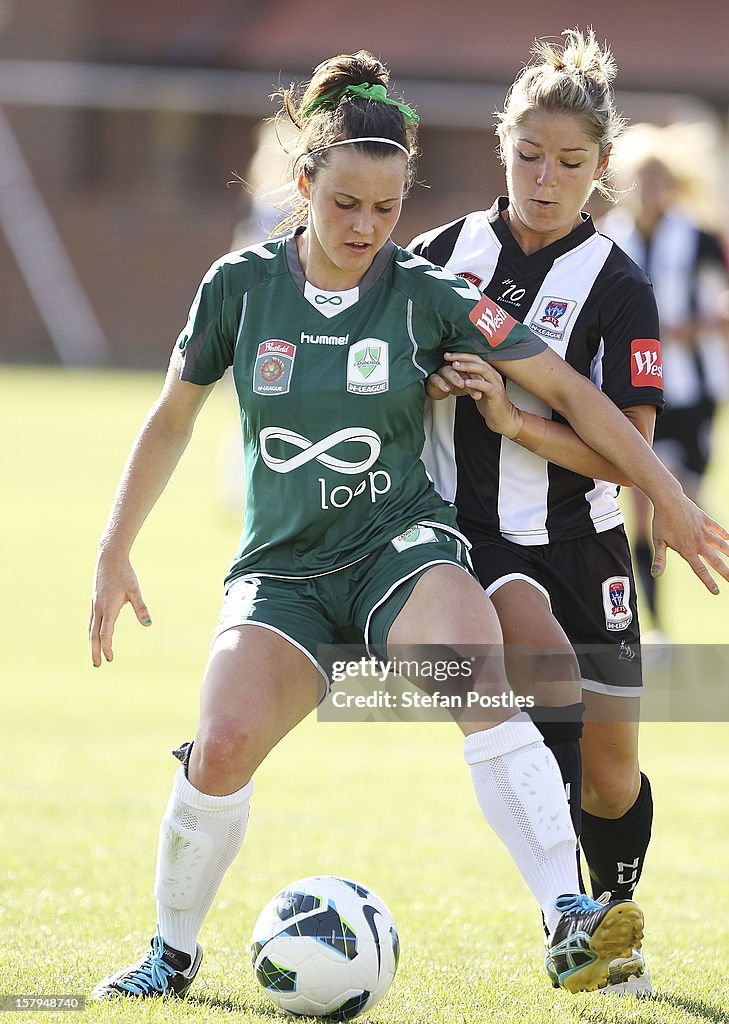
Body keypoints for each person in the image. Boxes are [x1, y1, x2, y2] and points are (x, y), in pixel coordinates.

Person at [88, 50, 727, 1003]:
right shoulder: (239, 287)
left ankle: (571, 918)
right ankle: (170, 953)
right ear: (303, 184)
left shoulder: (433, 289)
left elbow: (568, 391)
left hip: (415, 544)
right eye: (345, 204)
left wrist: (668, 501)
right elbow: (173, 417)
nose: (366, 228)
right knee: (218, 748)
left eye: (385, 210)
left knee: (551, 717)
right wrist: (112, 549)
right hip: (287, 568)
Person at [408, 29, 726, 996]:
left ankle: (610, 918)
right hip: (479, 537)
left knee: (611, 775)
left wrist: (518, 422)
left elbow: (623, 447)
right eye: (529, 156)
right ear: (503, 147)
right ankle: (569, 918)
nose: (546, 179)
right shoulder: (440, 254)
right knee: (540, 684)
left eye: (571, 162)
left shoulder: (620, 288)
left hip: (585, 543)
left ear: (601, 168)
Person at [599, 122, 729, 640]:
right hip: (634, 390)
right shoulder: (610, 235)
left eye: (658, 179)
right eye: (641, 178)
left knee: (684, 501)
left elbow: (722, 307)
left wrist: (684, 330)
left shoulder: (696, 238)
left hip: (692, 390)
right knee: (639, 504)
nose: (649, 190)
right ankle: (652, 628)